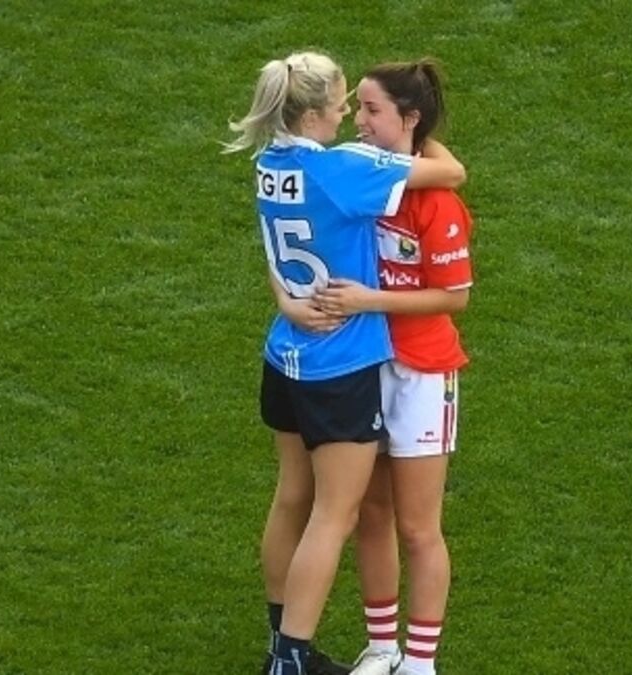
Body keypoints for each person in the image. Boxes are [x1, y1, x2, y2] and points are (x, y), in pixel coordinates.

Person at [223, 50, 467, 675]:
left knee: (291, 498)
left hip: (285, 353)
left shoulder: (267, 165)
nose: (348, 117)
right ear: (310, 115)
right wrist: (417, 130)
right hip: (341, 365)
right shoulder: (345, 168)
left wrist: (287, 301)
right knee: (334, 516)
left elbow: (279, 259)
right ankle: (292, 659)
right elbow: (451, 173)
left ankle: (279, 641)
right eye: (340, 105)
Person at [308, 58, 473, 675]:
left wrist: (368, 301)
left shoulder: (437, 205)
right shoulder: (362, 178)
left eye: (372, 110)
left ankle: (420, 663)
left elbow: (454, 296)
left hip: (422, 373)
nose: (359, 120)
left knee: (419, 527)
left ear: (409, 119)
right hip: (364, 366)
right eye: (357, 107)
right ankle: (382, 648)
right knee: (370, 515)